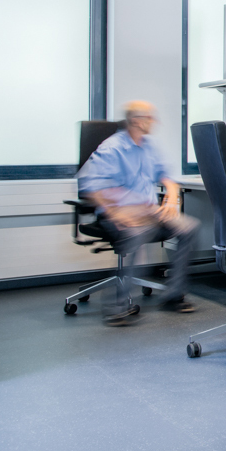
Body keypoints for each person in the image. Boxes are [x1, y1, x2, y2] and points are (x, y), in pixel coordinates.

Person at [77, 101, 199, 325]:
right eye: (150, 118)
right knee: (136, 233)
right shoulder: (112, 148)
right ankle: (117, 307)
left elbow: (167, 177)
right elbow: (89, 186)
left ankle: (173, 295)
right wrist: (116, 213)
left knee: (188, 227)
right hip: (116, 214)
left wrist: (172, 197)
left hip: (148, 211)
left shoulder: (149, 146)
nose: (155, 122)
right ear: (136, 121)